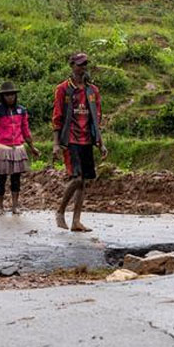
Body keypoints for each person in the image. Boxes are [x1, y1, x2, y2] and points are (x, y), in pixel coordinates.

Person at [52, 52, 107, 232]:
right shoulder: (63, 89)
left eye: (84, 65)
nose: (82, 68)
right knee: (76, 178)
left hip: (87, 139)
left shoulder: (92, 91)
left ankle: (76, 221)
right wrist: (55, 143)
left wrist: (100, 142)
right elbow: (58, 117)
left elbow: (96, 118)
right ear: (72, 66)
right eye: (79, 64)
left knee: (83, 182)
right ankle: (60, 211)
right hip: (70, 139)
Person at [0, 81, 40, 214]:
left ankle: (15, 206)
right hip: (3, 148)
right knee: (1, 178)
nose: (10, 97)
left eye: (12, 95)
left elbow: (25, 130)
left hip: (18, 148)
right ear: (2, 97)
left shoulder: (21, 110)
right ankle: (0, 206)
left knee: (16, 178)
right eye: (7, 95)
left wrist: (32, 147)